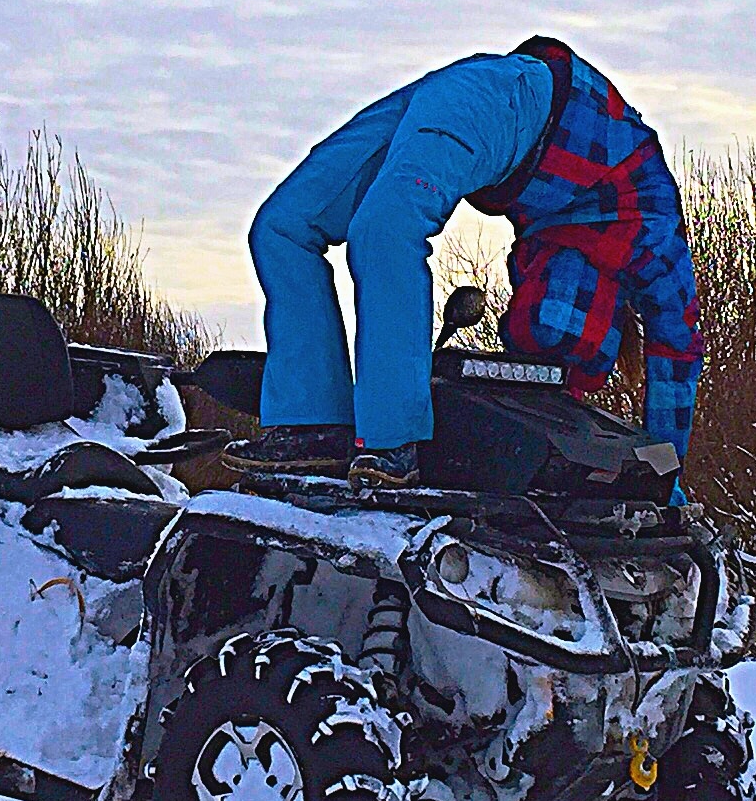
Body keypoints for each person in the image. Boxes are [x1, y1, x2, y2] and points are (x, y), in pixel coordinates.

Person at [236, 35, 702, 491]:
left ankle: (311, 415)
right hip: (507, 98)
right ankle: (387, 440)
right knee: (385, 229)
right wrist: (669, 476)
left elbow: (552, 391)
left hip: (467, 92)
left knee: (281, 227)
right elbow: (678, 352)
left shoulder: (554, 247)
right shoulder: (655, 234)